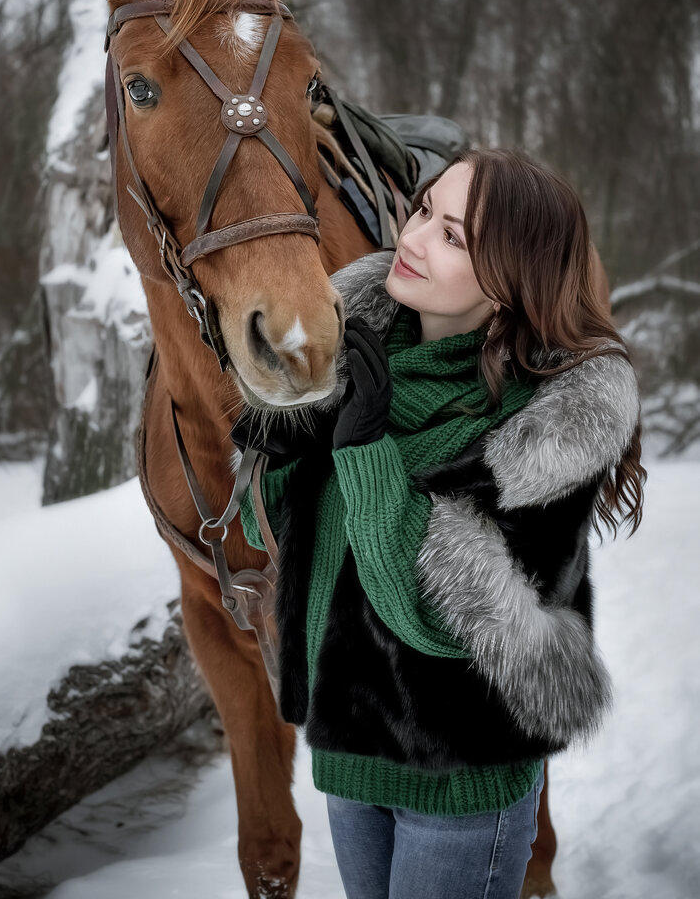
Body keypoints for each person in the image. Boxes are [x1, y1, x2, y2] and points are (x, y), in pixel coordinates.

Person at [232, 147, 645, 899]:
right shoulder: (358, 357)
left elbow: (452, 626)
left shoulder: (543, 426)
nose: (414, 239)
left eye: (453, 237)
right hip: (351, 759)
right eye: (423, 211)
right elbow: (281, 544)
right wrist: (285, 438)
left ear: (512, 280)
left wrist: (366, 452)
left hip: (461, 786)